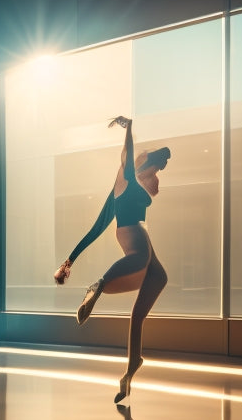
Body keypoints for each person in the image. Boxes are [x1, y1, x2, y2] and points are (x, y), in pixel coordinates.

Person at [53, 117, 171, 402]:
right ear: (143, 170)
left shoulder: (121, 191)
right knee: (140, 258)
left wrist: (68, 261)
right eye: (155, 173)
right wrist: (129, 127)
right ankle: (99, 286)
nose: (157, 181)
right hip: (134, 235)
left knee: (157, 280)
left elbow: (96, 228)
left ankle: (131, 366)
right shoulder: (127, 178)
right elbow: (128, 155)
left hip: (134, 234)